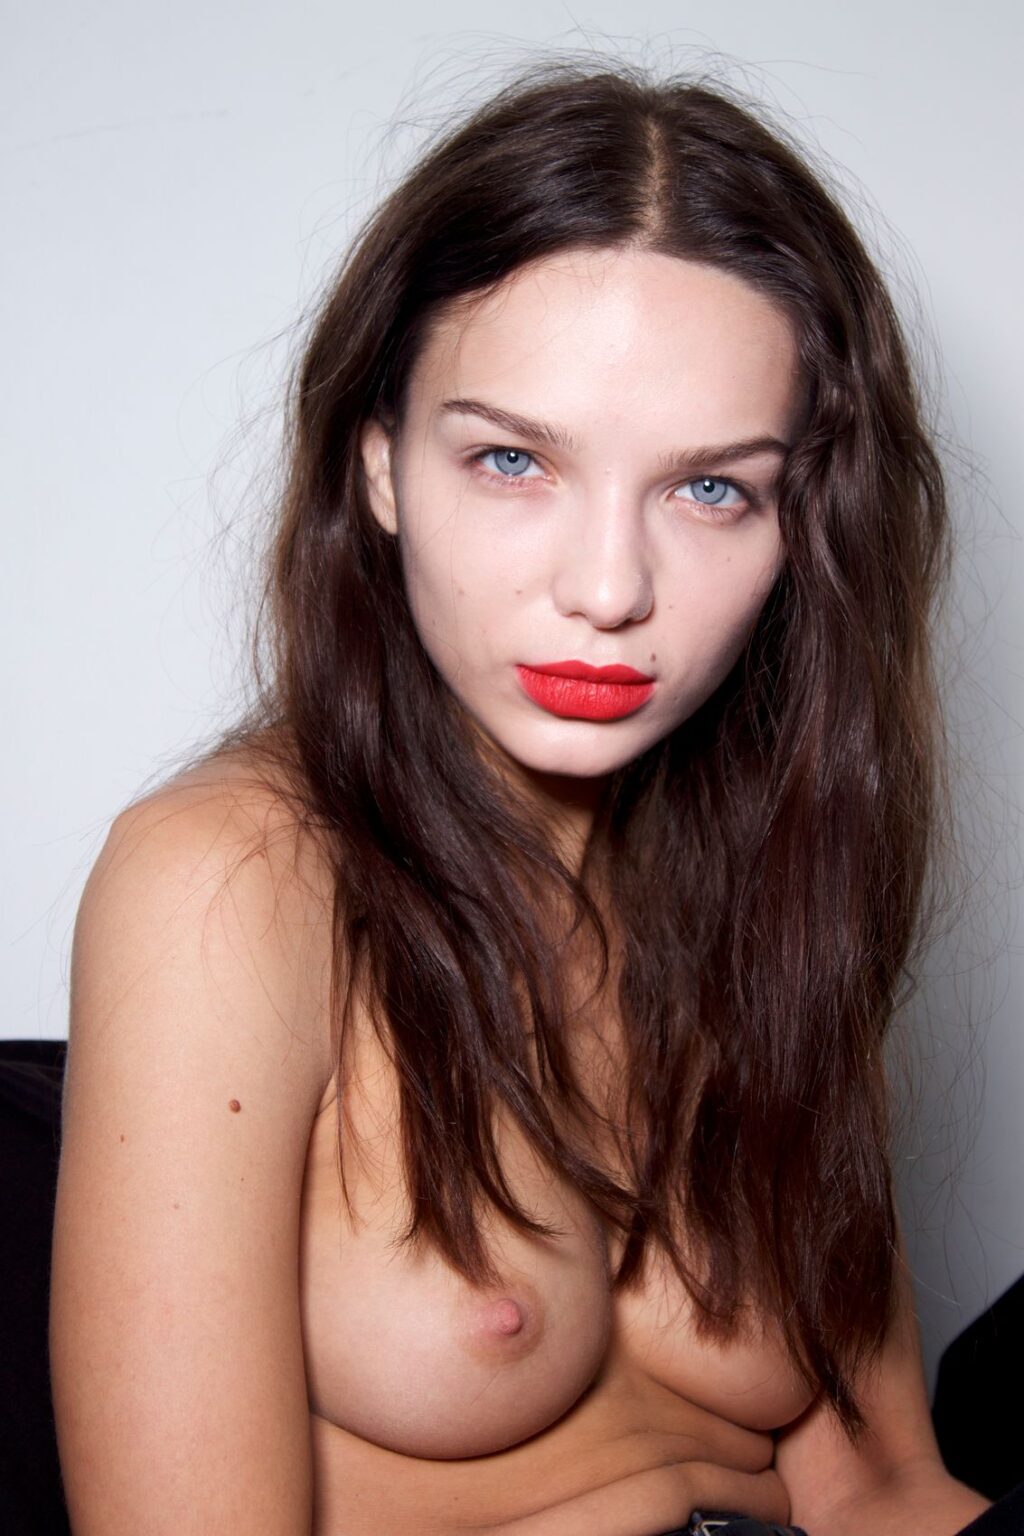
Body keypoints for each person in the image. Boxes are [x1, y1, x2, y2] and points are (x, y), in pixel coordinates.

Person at [48, 57, 1000, 1536]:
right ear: (378, 466)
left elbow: (874, 1481)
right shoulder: (228, 884)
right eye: (512, 460)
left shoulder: (777, 890)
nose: (608, 589)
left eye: (712, 489)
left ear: (803, 526)